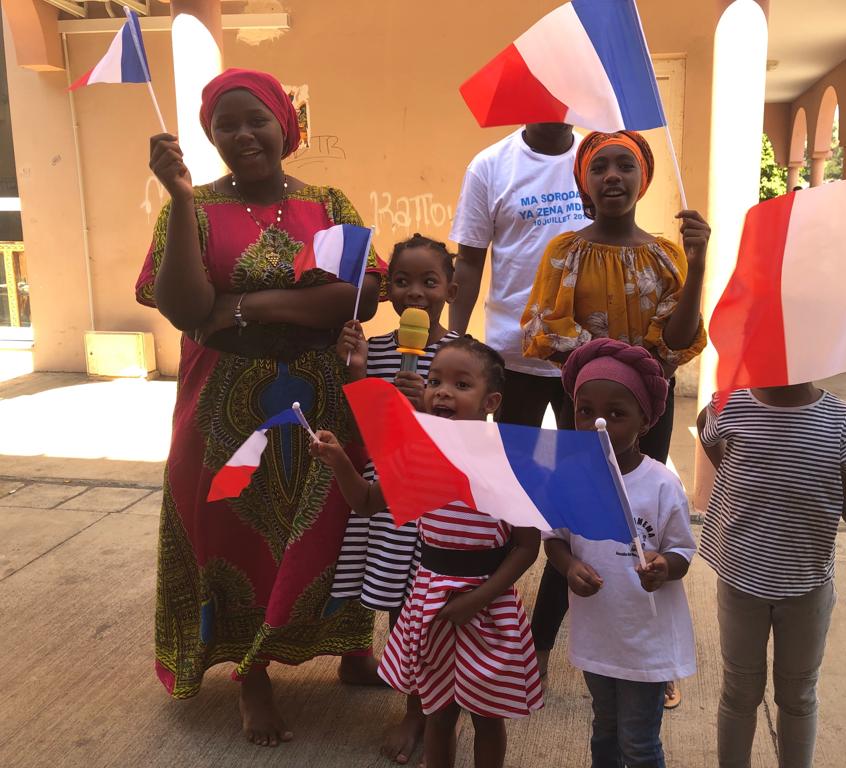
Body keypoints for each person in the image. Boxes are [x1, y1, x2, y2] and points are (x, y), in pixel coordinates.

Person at [137, 68, 385, 747]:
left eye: (257, 120)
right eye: (226, 124)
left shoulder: (329, 202)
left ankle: (351, 645)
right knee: (231, 528)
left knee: (331, 520)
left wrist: (241, 306)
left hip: (322, 394)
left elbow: (358, 296)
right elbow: (186, 310)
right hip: (221, 405)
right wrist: (182, 197)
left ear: (285, 124)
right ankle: (252, 674)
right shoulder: (185, 209)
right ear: (210, 136)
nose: (243, 134)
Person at [520, 130, 708, 703]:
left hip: (647, 414)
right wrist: (610, 364)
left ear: (641, 179)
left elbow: (677, 337)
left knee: (642, 532)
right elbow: (544, 327)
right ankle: (541, 651)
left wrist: (697, 264)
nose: (612, 176)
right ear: (585, 180)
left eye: (625, 165)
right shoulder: (564, 252)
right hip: (592, 413)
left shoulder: (665, 254)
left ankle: (654, 664)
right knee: (577, 535)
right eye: (599, 166)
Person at [312, 337, 543, 768]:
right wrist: (340, 459)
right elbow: (366, 501)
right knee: (438, 712)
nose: (441, 391)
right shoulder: (421, 455)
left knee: (488, 715)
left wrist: (476, 599)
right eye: (435, 380)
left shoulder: (504, 462)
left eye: (460, 384)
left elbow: (528, 547)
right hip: (430, 605)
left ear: (490, 400)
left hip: (487, 609)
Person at [697, 384, 846, 768]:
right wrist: (732, 475)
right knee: (739, 691)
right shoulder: (730, 403)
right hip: (740, 582)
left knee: (798, 695)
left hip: (806, 589)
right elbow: (705, 426)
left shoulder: (843, 423)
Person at [331, 234, 459, 764]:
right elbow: (371, 434)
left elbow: (469, 435)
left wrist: (428, 408)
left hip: (436, 505)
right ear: (387, 290)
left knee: (432, 606)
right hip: (387, 506)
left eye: (430, 282)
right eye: (402, 281)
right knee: (401, 608)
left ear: (450, 288)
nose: (415, 293)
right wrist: (360, 374)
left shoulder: (461, 355)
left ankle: (420, 711)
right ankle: (414, 697)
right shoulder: (377, 349)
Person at [544, 339, 698, 768]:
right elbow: (553, 538)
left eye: (616, 413)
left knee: (640, 743)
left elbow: (682, 550)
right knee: (605, 730)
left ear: (644, 422)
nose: (598, 422)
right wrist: (570, 564)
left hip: (645, 641)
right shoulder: (569, 478)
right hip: (599, 635)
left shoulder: (662, 484)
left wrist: (664, 567)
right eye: (585, 410)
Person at [449, 122, 582, 428]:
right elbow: (469, 261)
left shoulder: (597, 160)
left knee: (579, 466)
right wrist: (456, 340)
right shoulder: (489, 166)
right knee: (513, 466)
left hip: (584, 353)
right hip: (512, 354)